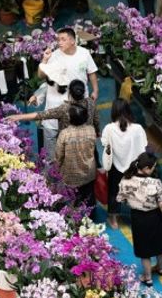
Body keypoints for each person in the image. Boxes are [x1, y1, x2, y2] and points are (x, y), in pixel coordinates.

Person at [39, 27, 99, 160]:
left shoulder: (84, 53)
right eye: (58, 39)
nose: (59, 42)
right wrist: (44, 60)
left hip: (79, 103)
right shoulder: (54, 55)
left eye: (63, 39)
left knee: (79, 136)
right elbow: (41, 75)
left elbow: (92, 72)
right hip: (61, 105)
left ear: (72, 41)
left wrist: (95, 90)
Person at [116, 152, 162, 286]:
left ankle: (148, 277)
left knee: (144, 249)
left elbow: (120, 199)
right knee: (159, 243)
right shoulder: (155, 182)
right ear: (146, 169)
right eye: (153, 167)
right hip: (155, 216)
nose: (154, 170)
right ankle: (160, 268)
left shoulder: (125, 180)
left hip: (138, 217)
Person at [101, 99, 148, 229]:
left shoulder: (109, 128)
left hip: (116, 167)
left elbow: (105, 144)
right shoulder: (137, 128)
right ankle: (137, 217)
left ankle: (114, 219)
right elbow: (143, 146)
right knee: (135, 191)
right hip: (133, 167)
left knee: (114, 191)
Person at [7, 79, 100, 136]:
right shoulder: (90, 103)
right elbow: (96, 120)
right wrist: (96, 132)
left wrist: (18, 117)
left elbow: (40, 115)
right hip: (84, 139)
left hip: (64, 136)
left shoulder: (65, 109)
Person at [55, 105, 96, 211]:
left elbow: (59, 155)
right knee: (88, 197)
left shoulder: (65, 134)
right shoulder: (91, 130)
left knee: (72, 199)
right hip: (89, 173)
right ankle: (90, 217)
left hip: (70, 175)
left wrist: (57, 168)